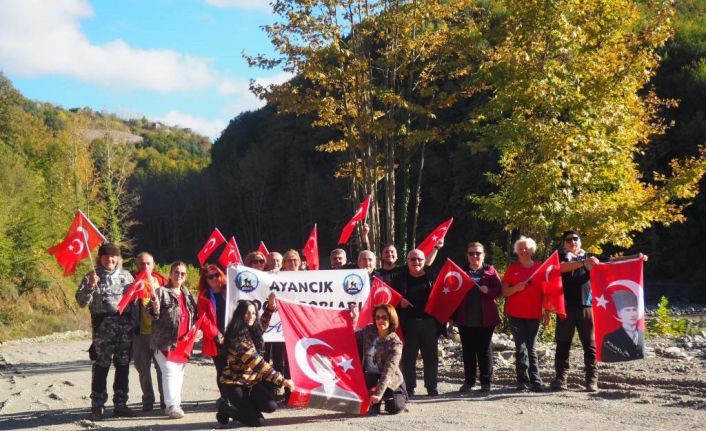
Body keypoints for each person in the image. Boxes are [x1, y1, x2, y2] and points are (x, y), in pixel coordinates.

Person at [550, 229, 648, 392]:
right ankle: (560, 379)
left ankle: (591, 381)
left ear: (580, 241)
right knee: (562, 344)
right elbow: (560, 268)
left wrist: (635, 258)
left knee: (590, 345)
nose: (572, 242)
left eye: (576, 239)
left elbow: (612, 261)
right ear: (564, 244)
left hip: (587, 307)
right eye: (568, 240)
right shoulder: (560, 257)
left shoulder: (591, 256)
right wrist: (583, 263)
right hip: (565, 307)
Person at [75, 243, 136, 420]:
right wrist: (90, 287)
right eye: (106, 256)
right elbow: (81, 302)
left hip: (124, 328)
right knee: (101, 367)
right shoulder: (92, 276)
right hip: (103, 330)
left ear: (118, 258)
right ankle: (97, 405)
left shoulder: (126, 277)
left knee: (123, 366)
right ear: (100, 258)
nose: (110, 259)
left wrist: (136, 325)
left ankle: (121, 403)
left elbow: (135, 302)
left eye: (113, 256)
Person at [217, 296, 295, 427]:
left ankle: (247, 409)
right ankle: (227, 408)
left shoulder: (251, 330)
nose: (251, 316)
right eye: (247, 313)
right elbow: (259, 365)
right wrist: (284, 381)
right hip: (235, 384)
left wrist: (270, 308)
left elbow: (262, 323)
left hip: (251, 382)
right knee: (257, 421)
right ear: (240, 315)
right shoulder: (237, 339)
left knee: (271, 406)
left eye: (253, 313)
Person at [451, 242, 502, 393]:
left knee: (485, 350)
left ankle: (486, 382)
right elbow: (452, 295)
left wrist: (489, 290)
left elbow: (499, 290)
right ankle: (469, 382)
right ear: (467, 256)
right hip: (465, 318)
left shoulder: (490, 271)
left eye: (478, 253)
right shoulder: (460, 272)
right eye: (471, 253)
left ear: (483, 255)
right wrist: (451, 317)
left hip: (486, 318)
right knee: (467, 351)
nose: (474, 256)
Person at [149, 261, 198, 419]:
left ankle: (176, 403)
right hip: (164, 341)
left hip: (184, 341)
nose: (179, 276)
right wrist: (155, 308)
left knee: (178, 373)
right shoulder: (161, 292)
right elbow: (152, 314)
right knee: (169, 371)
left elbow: (194, 314)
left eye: (182, 273)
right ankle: (171, 405)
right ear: (170, 274)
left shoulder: (188, 294)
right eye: (176, 272)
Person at [392, 249, 439, 397]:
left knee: (431, 356)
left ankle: (431, 387)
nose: (416, 262)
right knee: (408, 357)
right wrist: (400, 303)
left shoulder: (432, 276)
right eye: (413, 259)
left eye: (419, 259)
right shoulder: (400, 279)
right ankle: (410, 388)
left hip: (429, 322)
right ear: (407, 262)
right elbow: (391, 299)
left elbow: (443, 297)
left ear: (424, 261)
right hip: (408, 323)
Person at [502, 236, 545, 392]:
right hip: (515, 314)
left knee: (532, 348)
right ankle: (522, 381)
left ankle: (536, 380)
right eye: (520, 249)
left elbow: (546, 292)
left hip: (534, 313)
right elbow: (504, 291)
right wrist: (517, 288)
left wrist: (546, 312)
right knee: (521, 347)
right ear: (516, 252)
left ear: (532, 250)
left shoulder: (540, 268)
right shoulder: (512, 269)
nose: (523, 251)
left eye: (526, 248)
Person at [351, 303, 407, 415]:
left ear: (391, 319)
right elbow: (352, 337)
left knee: (395, 408)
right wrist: (354, 319)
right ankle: (374, 402)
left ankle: (397, 395)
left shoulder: (395, 343)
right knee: (371, 410)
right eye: (377, 317)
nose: (380, 320)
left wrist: (379, 393)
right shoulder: (369, 330)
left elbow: (389, 370)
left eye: (384, 317)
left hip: (389, 380)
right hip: (370, 377)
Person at [131, 252, 164, 411]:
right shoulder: (131, 283)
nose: (145, 266)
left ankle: (165, 400)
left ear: (153, 264)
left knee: (162, 369)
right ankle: (148, 400)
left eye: (148, 263)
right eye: (142, 264)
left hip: (159, 333)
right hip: (139, 333)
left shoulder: (162, 282)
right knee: (143, 369)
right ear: (137, 265)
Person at [196, 265, 228, 408]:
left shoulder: (229, 291)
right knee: (221, 370)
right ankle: (225, 398)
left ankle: (238, 397)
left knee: (236, 368)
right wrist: (217, 334)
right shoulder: (204, 296)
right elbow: (203, 319)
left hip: (233, 337)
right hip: (217, 339)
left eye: (216, 274)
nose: (215, 278)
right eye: (210, 276)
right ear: (206, 280)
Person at [600, 290, 645, 362]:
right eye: (627, 310)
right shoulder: (610, 337)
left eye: (634, 309)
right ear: (619, 313)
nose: (632, 314)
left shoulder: (641, 334)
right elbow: (606, 357)